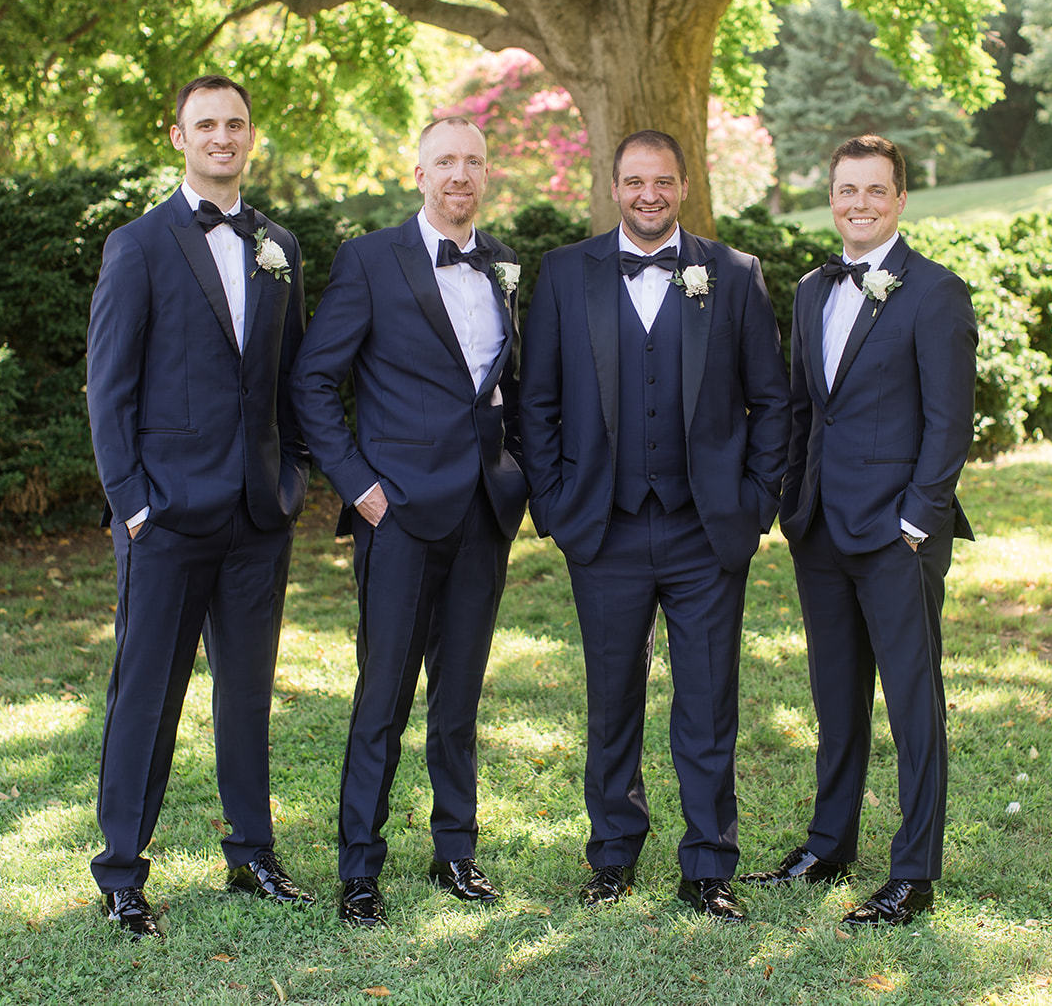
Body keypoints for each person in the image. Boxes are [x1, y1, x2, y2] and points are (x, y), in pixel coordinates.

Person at [519, 130, 790, 922]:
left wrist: (753, 501)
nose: (648, 194)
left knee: (708, 703)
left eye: (662, 181)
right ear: (613, 186)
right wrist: (561, 506)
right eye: (634, 181)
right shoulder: (567, 273)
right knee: (612, 700)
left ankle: (708, 865)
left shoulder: (733, 274)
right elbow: (536, 403)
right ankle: (612, 857)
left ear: (683, 185)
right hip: (601, 529)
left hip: (707, 531)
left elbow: (771, 402)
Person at [85, 74, 314, 940]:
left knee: (248, 696)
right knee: (146, 696)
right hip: (167, 520)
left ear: (251, 136)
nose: (223, 136)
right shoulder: (138, 245)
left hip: (258, 518)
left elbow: (294, 378)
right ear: (178, 137)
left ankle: (251, 852)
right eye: (206, 124)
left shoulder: (280, 246)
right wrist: (133, 506)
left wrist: (289, 478)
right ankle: (120, 872)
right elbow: (108, 391)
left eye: (236, 124)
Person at [291, 116, 527, 927]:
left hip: (483, 513)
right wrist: (359, 487)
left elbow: (515, 385)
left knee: (458, 697)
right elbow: (313, 382)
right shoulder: (369, 261)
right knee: (382, 696)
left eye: (472, 162)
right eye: (444, 162)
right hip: (396, 516)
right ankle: (360, 866)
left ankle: (455, 852)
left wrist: (518, 474)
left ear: (485, 174)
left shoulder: (502, 264)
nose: (459, 174)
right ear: (418, 173)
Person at [740, 135, 977, 926]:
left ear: (901, 198)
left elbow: (949, 424)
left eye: (876, 190)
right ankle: (828, 843)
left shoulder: (936, 293)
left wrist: (916, 521)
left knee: (914, 704)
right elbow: (808, 409)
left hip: (896, 535)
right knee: (835, 700)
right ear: (832, 197)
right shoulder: (812, 289)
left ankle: (913, 871)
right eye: (847, 190)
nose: (860, 204)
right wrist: (791, 505)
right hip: (820, 532)